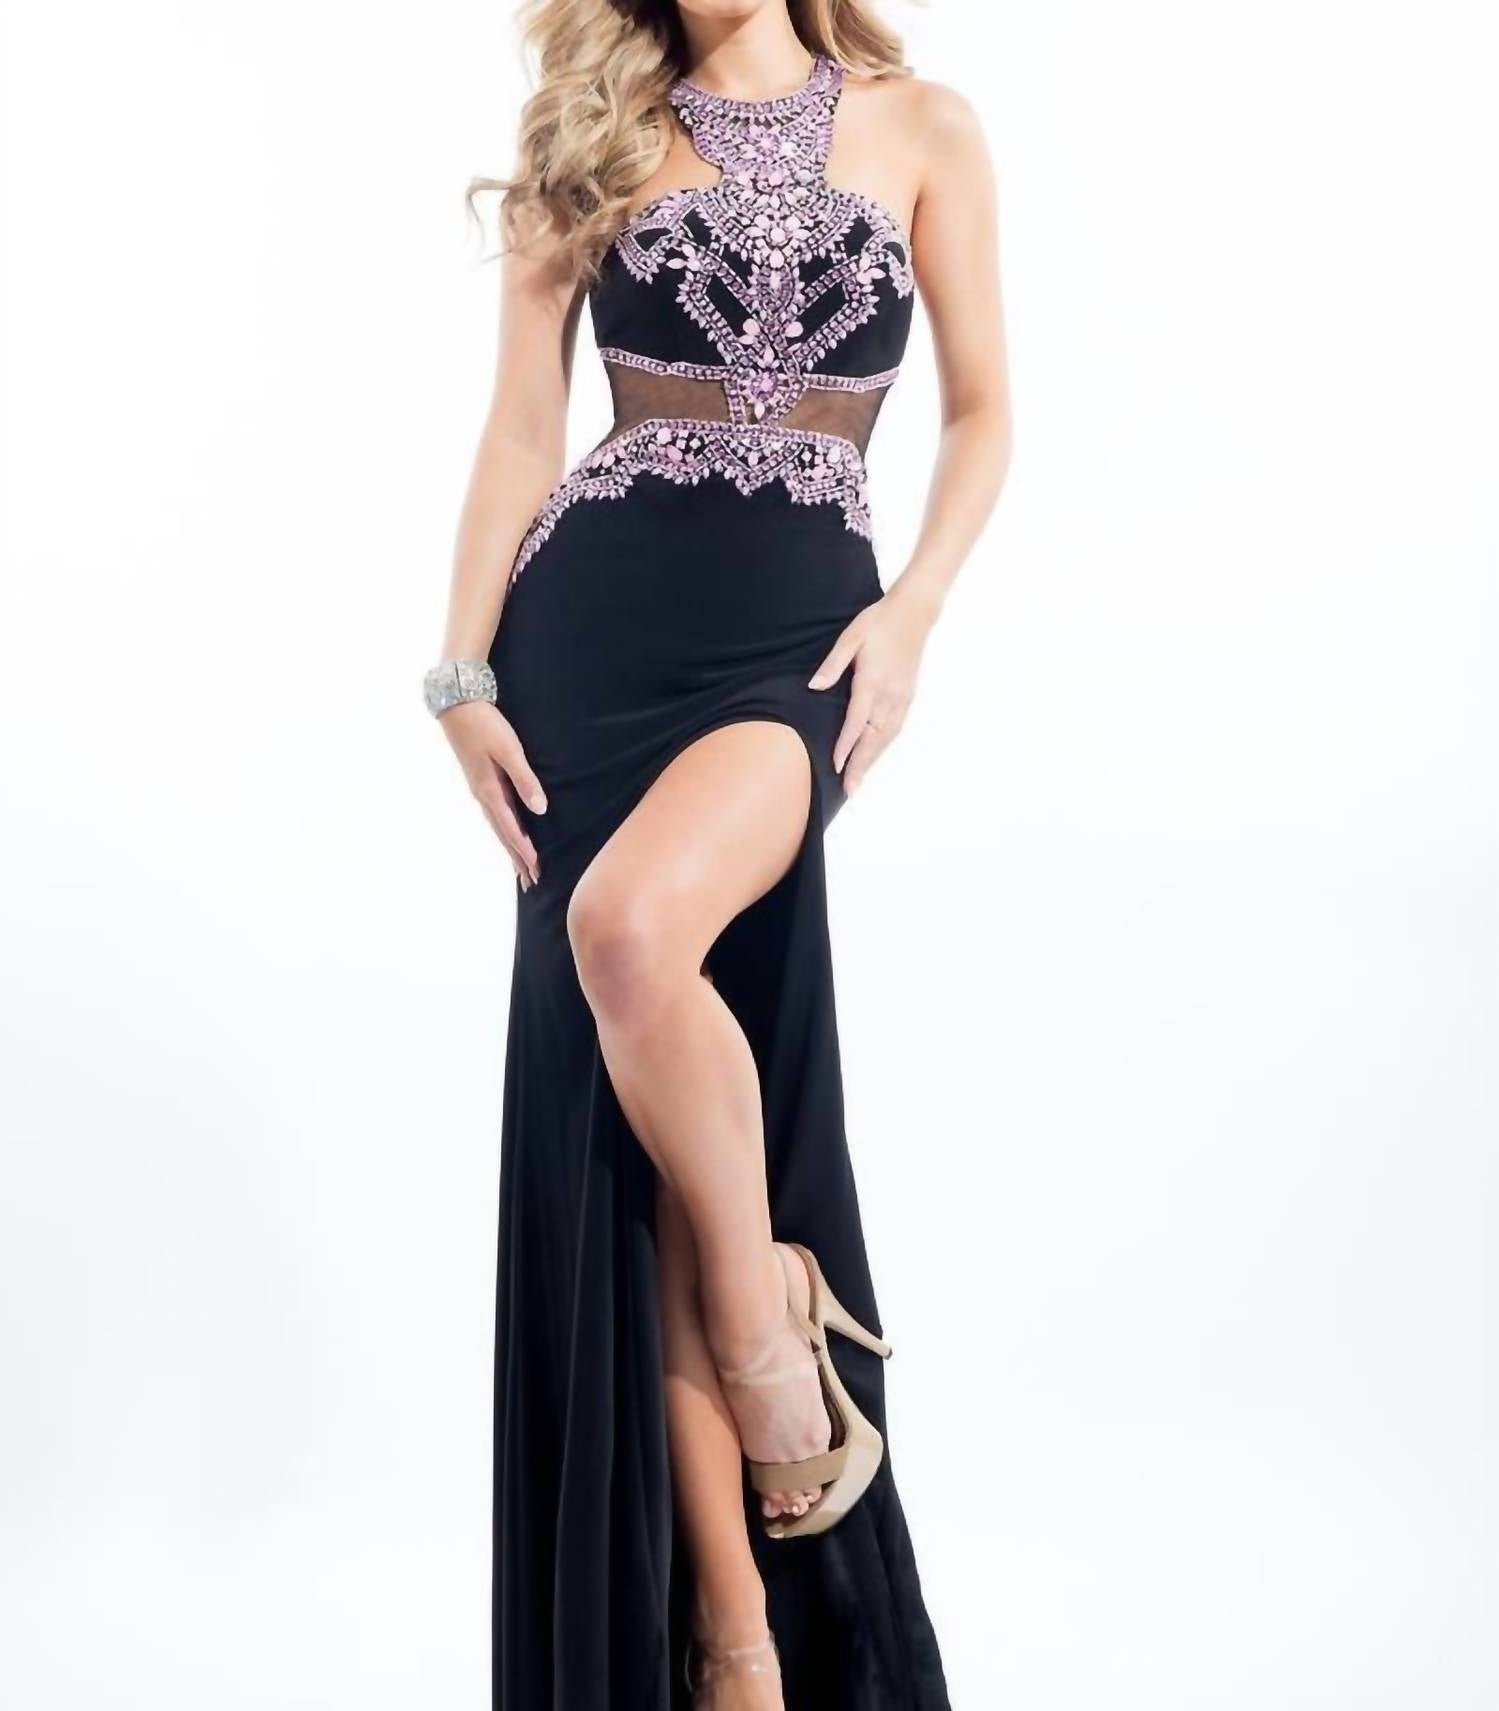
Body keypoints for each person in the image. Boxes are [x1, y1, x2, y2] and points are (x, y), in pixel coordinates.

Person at [425, 1, 1011, 1704]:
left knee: (631, 932)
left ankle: (767, 1345)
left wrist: (914, 614)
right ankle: (735, 1638)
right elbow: (522, 432)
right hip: (587, 647)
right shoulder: (591, 130)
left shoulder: (926, 127)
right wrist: (460, 671)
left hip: (797, 639)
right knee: (647, 1159)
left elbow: (984, 413)